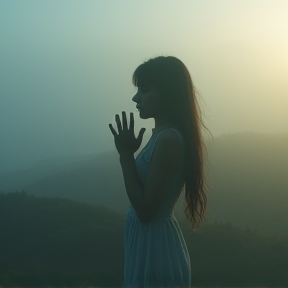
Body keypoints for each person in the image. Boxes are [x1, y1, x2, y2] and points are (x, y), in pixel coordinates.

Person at [108, 56, 208, 288]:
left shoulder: (168, 139)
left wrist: (125, 156)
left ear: (167, 93)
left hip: (156, 252)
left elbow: (146, 210)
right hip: (149, 245)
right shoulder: (161, 135)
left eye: (144, 90)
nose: (136, 98)